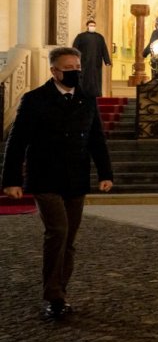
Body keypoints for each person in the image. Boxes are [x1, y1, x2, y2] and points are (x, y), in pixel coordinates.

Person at [2, 47, 113, 320]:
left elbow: (96, 139)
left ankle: (60, 292)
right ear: (54, 70)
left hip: (76, 178)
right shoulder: (34, 99)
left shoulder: (87, 100)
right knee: (58, 232)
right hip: (45, 177)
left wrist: (105, 173)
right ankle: (53, 295)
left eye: (78, 67)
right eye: (69, 67)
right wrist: (12, 180)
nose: (75, 72)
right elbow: (17, 142)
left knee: (70, 239)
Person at [71, 18, 112, 98]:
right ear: (87, 26)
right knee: (83, 78)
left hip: (96, 63)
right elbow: (75, 49)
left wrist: (107, 61)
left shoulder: (100, 37)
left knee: (96, 79)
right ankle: (82, 93)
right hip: (83, 62)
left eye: (93, 25)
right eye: (91, 25)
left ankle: (96, 94)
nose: (92, 27)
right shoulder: (80, 36)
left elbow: (104, 49)